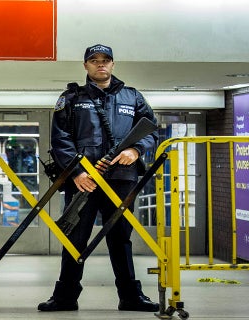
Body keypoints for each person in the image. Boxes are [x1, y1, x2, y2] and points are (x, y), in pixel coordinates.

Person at [38, 44, 160, 312]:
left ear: (113, 64)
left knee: (121, 238)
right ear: (86, 66)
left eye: (105, 60)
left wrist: (135, 149)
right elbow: (60, 140)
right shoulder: (71, 98)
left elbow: (151, 131)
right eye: (94, 60)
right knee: (75, 239)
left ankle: (130, 296)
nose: (100, 64)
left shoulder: (133, 97)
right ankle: (65, 297)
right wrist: (76, 173)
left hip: (122, 179)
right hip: (84, 180)